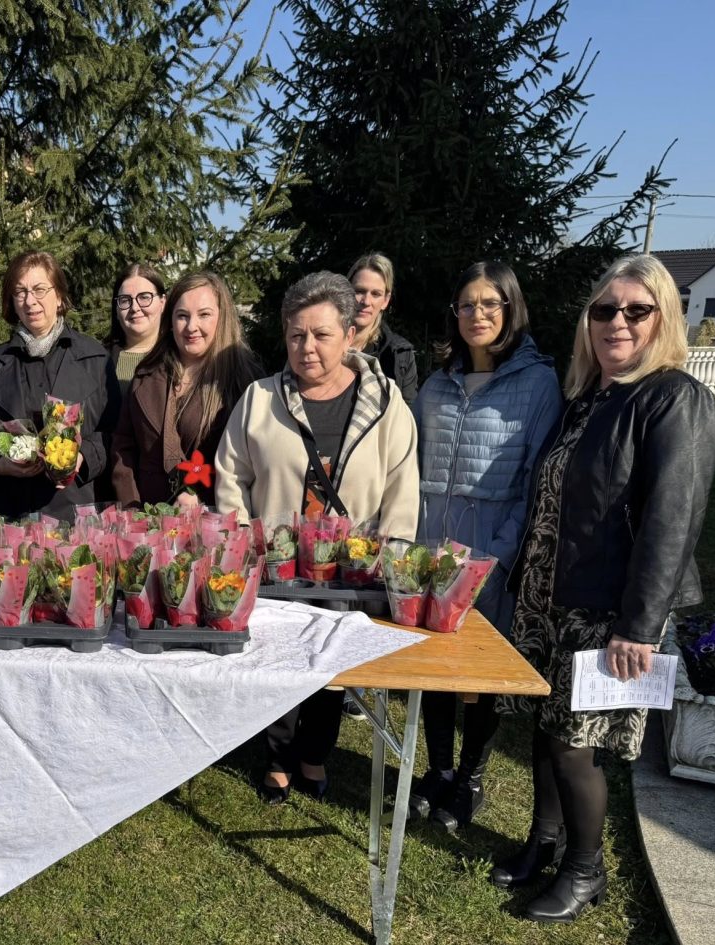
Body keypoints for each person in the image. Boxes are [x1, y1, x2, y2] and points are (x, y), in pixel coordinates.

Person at [493, 254, 715, 923]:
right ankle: (544, 841)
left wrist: (638, 627)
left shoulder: (674, 398)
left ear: (663, 319)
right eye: (604, 309)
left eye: (636, 310)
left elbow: (673, 520)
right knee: (546, 725)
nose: (617, 321)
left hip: (609, 607)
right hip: (550, 594)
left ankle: (586, 869)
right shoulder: (589, 397)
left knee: (576, 743)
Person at [216, 270, 418, 803]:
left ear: (349, 335)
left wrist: (391, 555)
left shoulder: (386, 401)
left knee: (333, 666)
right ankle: (278, 758)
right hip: (279, 565)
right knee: (280, 660)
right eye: (296, 335)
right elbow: (232, 473)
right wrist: (243, 540)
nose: (307, 347)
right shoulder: (260, 399)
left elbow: (402, 484)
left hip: (351, 568)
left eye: (321, 334)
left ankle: (315, 754)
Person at [407, 261, 563, 832]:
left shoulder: (538, 384)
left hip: (489, 551)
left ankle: (471, 776)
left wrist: (493, 560)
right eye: (467, 304)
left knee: (479, 673)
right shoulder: (436, 384)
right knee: (433, 663)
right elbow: (410, 470)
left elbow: (534, 482)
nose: (478, 314)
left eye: (490, 303)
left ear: (510, 309)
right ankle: (439, 769)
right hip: (430, 547)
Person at [0, 250, 120, 520]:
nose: (30, 300)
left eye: (39, 289)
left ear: (59, 296)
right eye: (20, 292)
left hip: (75, 510)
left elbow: (116, 431)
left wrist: (82, 457)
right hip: (10, 512)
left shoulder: (95, 359)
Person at [111, 271, 260, 508]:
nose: (191, 326)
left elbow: (251, 464)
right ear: (170, 321)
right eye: (182, 316)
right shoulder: (145, 374)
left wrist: (201, 498)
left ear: (222, 318)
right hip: (148, 519)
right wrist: (132, 510)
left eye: (204, 315)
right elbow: (123, 449)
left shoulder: (244, 381)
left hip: (216, 517)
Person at [348, 253, 419, 404]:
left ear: (386, 301)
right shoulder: (322, 343)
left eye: (376, 294)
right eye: (359, 291)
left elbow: (407, 413)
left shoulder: (400, 355)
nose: (366, 301)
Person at [105, 263, 168, 396]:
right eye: (125, 300)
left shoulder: (180, 358)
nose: (134, 308)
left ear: (162, 303)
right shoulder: (98, 361)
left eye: (144, 297)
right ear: (116, 309)